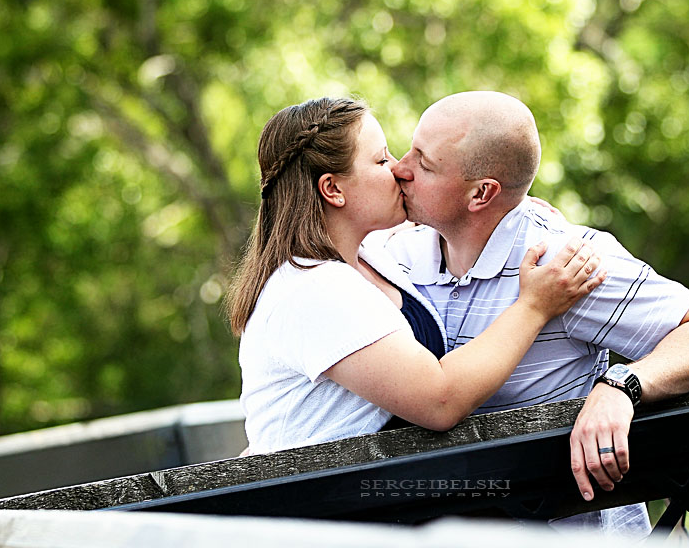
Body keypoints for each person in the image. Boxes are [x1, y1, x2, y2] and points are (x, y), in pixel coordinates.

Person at [386, 90, 689, 534]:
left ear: (482, 193)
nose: (399, 168)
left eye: (424, 164)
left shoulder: (567, 264)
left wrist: (622, 386)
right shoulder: (390, 256)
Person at [227, 96, 607, 454]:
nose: (397, 168)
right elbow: (440, 400)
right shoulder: (314, 290)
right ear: (333, 189)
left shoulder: (367, 256)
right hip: (325, 514)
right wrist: (535, 306)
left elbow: (428, 225)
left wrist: (507, 210)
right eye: (379, 161)